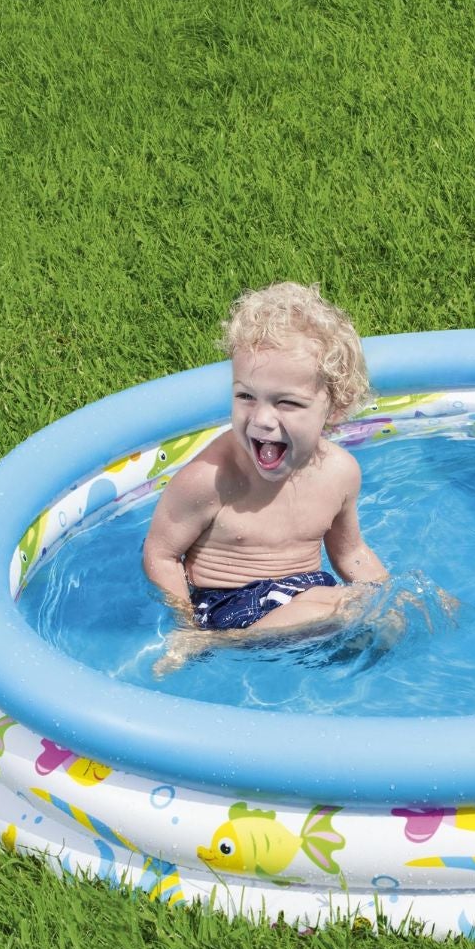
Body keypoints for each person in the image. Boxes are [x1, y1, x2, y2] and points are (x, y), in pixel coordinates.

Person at [143, 281, 389, 670]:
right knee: (346, 607)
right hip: (229, 608)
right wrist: (186, 627)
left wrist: (389, 594)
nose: (260, 419)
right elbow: (161, 554)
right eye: (245, 396)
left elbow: (351, 552)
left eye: (286, 402)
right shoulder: (209, 479)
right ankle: (217, 645)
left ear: (336, 407)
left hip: (307, 595)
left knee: (388, 618)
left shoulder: (340, 473)